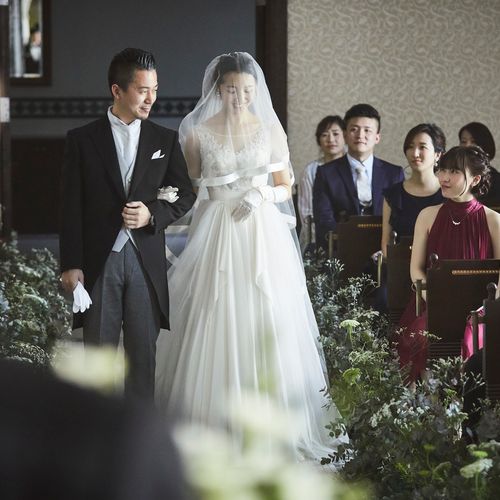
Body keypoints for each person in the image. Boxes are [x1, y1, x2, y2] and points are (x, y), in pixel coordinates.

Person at [155, 52, 347, 462]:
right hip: (217, 229)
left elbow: (285, 185)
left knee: (267, 309)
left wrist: (262, 194)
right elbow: (192, 190)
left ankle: (274, 420)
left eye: (246, 90)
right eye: (231, 90)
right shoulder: (198, 133)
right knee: (214, 308)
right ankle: (212, 421)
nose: (239, 97)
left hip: (261, 229)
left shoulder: (269, 130)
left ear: (256, 91)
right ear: (218, 90)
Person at [59, 48, 196, 401]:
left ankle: (139, 432)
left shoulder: (165, 140)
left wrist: (152, 214)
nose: (151, 99)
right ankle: (97, 430)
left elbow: (185, 195)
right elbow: (70, 206)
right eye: (142, 90)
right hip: (99, 260)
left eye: (155, 90)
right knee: (99, 359)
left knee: (142, 358)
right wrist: (71, 264)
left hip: (145, 261)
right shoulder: (82, 139)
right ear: (117, 90)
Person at [0, 359, 188, 500]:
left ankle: (137, 436)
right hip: (108, 447)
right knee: (98, 345)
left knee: (143, 360)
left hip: (138, 444)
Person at [397, 146, 500, 383]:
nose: (444, 177)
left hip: (481, 307)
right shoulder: (427, 215)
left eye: (454, 171)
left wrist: (489, 307)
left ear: (475, 179)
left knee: (474, 334)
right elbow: (416, 269)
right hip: (433, 302)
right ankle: (429, 400)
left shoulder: (494, 220)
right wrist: (433, 300)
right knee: (421, 335)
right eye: (442, 169)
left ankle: (466, 398)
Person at [313, 103, 404, 250]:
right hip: (342, 251)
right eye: (354, 129)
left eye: (367, 130)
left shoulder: (393, 174)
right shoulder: (326, 173)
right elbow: (324, 220)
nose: (360, 135)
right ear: (345, 135)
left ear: (377, 137)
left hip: (384, 251)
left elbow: (399, 219)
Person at [381, 123, 446, 257]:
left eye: (422, 147)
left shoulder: (449, 193)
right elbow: (386, 243)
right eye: (410, 147)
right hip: (400, 264)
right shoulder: (393, 194)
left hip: (438, 266)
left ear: (437, 155)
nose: (415, 153)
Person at [298, 115, 345, 251]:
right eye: (325, 135)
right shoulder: (311, 170)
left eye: (335, 134)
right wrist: (321, 240)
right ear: (319, 140)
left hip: (350, 236)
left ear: (345, 136)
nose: (331, 139)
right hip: (317, 239)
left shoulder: (353, 167)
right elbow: (306, 211)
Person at [459, 121, 500, 206]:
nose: (467, 146)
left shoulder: (496, 180)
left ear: (485, 145)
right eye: (463, 141)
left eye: (473, 141)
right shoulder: (453, 174)